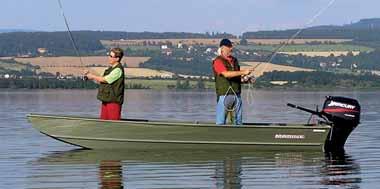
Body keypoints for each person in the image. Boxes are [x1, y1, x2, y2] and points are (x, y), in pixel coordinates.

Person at [212, 39, 254, 125]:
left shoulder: (235, 61)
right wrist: (243, 72)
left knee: (238, 122)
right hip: (224, 95)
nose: (231, 48)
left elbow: (236, 76)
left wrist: (246, 80)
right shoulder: (218, 61)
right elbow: (226, 74)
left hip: (236, 95)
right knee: (221, 122)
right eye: (229, 47)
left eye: (231, 46)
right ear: (222, 48)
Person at [84, 47, 125, 120]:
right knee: (103, 123)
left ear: (117, 59)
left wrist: (92, 76)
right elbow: (99, 79)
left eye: (111, 56)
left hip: (114, 102)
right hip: (106, 100)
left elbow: (105, 80)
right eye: (109, 55)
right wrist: (88, 75)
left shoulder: (118, 70)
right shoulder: (109, 69)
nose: (109, 58)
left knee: (113, 125)